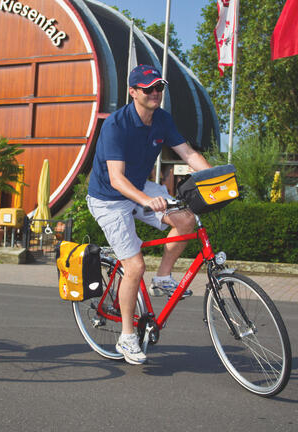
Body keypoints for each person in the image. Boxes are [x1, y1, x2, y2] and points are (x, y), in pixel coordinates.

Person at [86, 65, 212, 365]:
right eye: (148, 88)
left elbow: (189, 154)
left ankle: (164, 277)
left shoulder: (162, 119)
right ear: (133, 92)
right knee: (134, 265)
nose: (155, 92)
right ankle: (127, 337)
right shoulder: (116, 125)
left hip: (140, 185)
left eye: (159, 87)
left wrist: (217, 178)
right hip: (109, 199)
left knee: (186, 219)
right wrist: (147, 201)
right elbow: (117, 179)